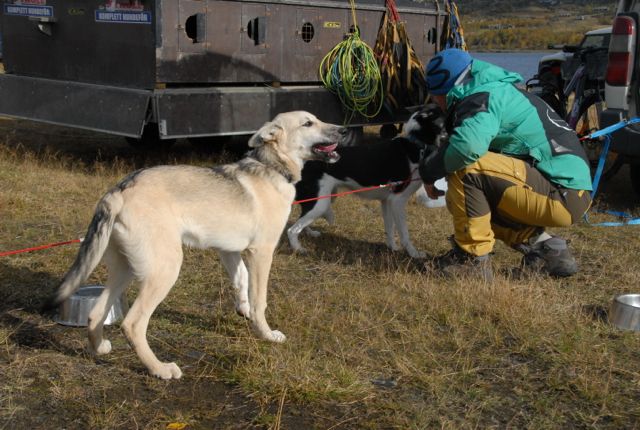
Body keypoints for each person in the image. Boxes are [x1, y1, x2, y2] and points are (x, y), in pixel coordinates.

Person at [419, 48, 592, 281]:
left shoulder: (481, 97)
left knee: (466, 169)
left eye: (435, 96)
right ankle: (549, 251)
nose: (436, 103)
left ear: (445, 90)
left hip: (562, 193)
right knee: (471, 203)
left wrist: (429, 171)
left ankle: (471, 261)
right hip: (569, 192)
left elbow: (467, 147)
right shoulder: (495, 89)